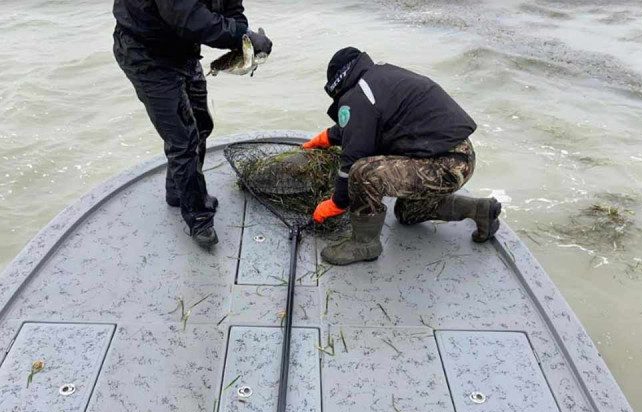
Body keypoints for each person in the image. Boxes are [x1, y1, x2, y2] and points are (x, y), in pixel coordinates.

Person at [304, 47, 501, 265]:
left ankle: (364, 244)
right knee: (407, 213)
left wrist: (337, 202)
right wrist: (329, 137)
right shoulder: (376, 78)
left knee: (363, 172)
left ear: (337, 85)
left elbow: (352, 158)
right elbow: (367, 123)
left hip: (444, 164)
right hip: (460, 157)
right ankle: (479, 210)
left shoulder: (359, 95)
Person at [113, 1, 272, 247]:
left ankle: (177, 192)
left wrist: (245, 39)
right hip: (145, 54)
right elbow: (187, 16)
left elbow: (233, 9)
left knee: (201, 124)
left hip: (183, 49)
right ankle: (199, 219)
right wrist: (241, 35)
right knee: (183, 139)